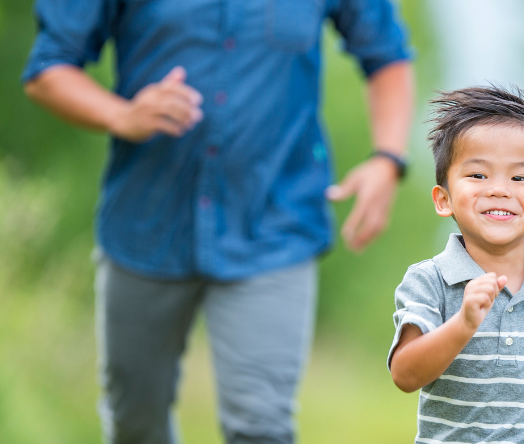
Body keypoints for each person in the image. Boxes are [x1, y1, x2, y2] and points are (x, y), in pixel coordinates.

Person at [21, 0, 414, 442]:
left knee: (261, 425)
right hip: (145, 223)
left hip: (275, 224)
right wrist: (121, 115)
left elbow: (387, 54)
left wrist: (387, 159)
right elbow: (48, 69)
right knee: (135, 421)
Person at [387, 86, 524, 444]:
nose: (499, 190)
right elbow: (405, 375)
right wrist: (463, 324)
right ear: (443, 200)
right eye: (478, 176)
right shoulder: (430, 280)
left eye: (520, 178)